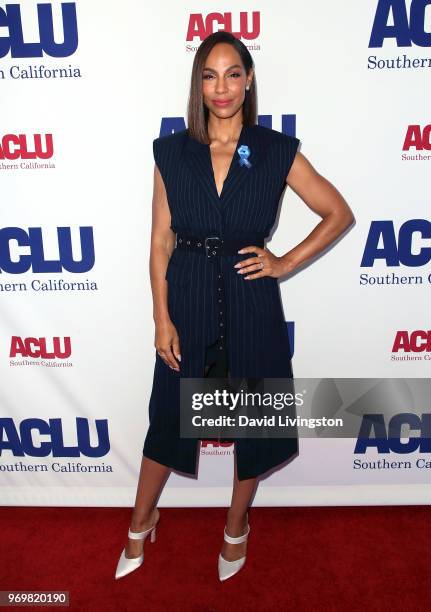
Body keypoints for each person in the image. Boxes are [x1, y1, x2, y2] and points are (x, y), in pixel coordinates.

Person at [115, 31, 354, 581]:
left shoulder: (274, 151)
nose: (221, 87)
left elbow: (338, 213)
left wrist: (284, 262)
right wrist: (161, 317)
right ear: (197, 85)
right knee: (169, 422)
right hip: (189, 297)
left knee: (253, 426)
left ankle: (235, 526)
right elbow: (160, 241)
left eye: (232, 74)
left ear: (248, 81)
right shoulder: (172, 153)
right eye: (209, 75)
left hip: (251, 303)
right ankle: (140, 520)